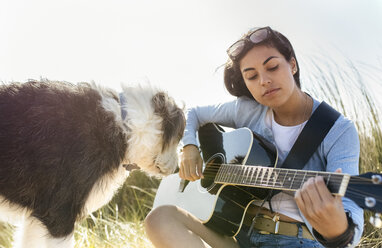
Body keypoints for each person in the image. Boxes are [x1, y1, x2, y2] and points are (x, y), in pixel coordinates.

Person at [144, 26, 363, 248]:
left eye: (273, 67)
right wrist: (189, 147)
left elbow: (353, 221)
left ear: (293, 65)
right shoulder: (248, 110)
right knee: (159, 219)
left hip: (296, 240)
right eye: (251, 76)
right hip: (237, 236)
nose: (264, 81)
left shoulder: (337, 129)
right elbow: (193, 113)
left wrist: (338, 230)